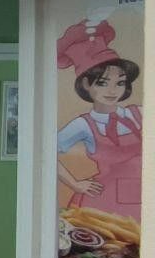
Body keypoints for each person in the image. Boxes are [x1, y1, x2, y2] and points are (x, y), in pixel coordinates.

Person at [56, 18, 141, 220]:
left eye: (120, 83)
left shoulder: (140, 114)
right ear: (86, 84)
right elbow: (45, 152)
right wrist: (75, 184)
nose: (113, 91)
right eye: (103, 83)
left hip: (145, 198)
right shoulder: (83, 125)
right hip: (103, 205)